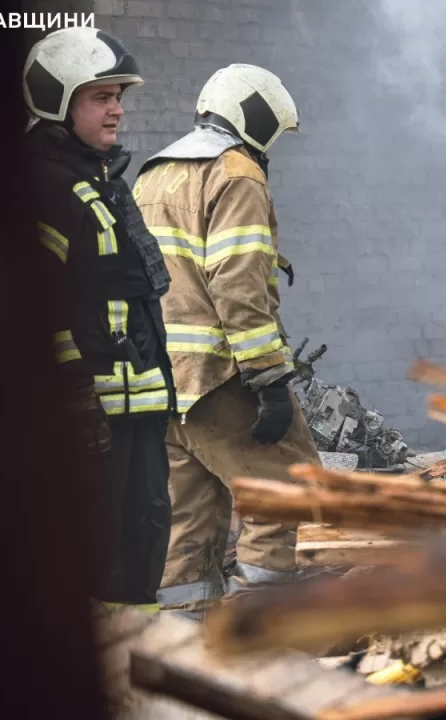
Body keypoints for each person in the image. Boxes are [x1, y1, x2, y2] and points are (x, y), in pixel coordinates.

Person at [133, 63, 318, 609]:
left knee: (186, 519)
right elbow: (237, 285)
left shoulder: (154, 172)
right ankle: (253, 632)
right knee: (281, 490)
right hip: (220, 377)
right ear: (254, 118)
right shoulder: (235, 173)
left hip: (163, 382)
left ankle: (184, 643)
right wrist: (270, 382)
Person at [23, 27, 176, 609]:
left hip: (135, 404)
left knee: (144, 529)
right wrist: (73, 393)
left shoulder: (101, 180)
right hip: (89, 413)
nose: (116, 109)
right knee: (93, 548)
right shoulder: (46, 186)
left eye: (119, 97)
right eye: (100, 97)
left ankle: (133, 662)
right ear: (58, 102)